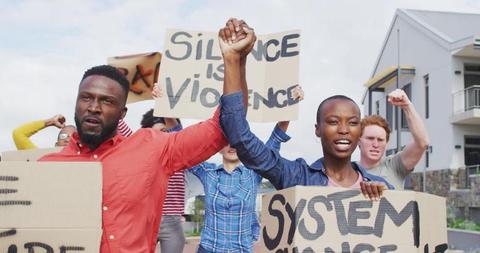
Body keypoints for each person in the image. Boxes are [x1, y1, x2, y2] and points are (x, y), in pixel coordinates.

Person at [39, 64, 227, 253]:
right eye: (86, 97)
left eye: (106, 101)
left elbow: (219, 129)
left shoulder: (152, 149)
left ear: (122, 114)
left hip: (170, 220)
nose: (94, 107)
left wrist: (234, 61)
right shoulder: (46, 168)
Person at [218, 18, 393, 200]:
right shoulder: (297, 177)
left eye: (353, 123)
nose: (343, 130)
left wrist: (387, 199)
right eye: (333, 122)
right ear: (318, 130)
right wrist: (234, 60)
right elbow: (238, 134)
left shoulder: (380, 187)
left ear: (359, 132)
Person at [358, 88, 429, 189]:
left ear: (387, 143)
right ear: (358, 141)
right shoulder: (348, 171)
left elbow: (422, 143)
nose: (375, 144)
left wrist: (407, 106)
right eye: (370, 138)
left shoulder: (395, 166)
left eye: (380, 140)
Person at [12, 114, 76, 149]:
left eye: (73, 137)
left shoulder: (84, 161)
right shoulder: (42, 159)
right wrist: (51, 122)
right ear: (56, 145)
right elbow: (18, 133)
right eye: (63, 136)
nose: (67, 140)